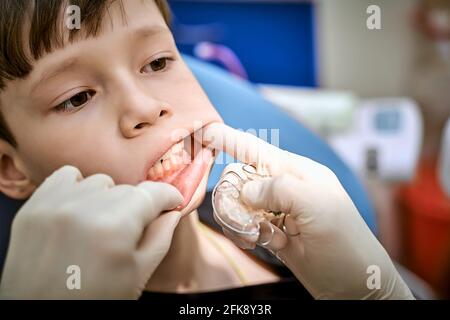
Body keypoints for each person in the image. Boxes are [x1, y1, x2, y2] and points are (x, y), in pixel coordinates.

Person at [0, 0, 413, 299]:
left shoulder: (271, 229)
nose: (145, 107)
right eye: (76, 98)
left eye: (158, 62)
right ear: (10, 168)